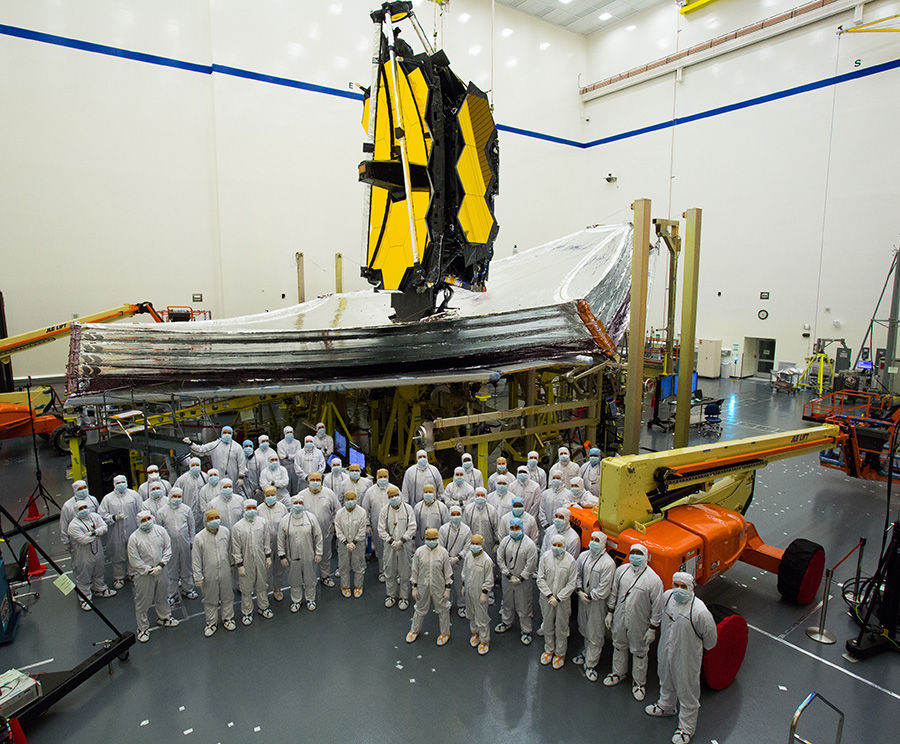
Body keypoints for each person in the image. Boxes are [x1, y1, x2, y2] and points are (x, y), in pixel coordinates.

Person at [645, 572, 718, 744]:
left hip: (687, 655)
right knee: (665, 676)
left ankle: (686, 728)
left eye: (683, 586)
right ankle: (666, 705)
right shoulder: (667, 597)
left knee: (687, 689)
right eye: (675, 585)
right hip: (666, 648)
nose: (678, 590)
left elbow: (711, 639)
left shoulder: (699, 611)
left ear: (691, 587)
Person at [605, 543, 664, 702]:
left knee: (639, 652)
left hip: (640, 621)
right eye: (633, 552)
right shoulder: (621, 571)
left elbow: (657, 606)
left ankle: (639, 683)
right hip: (620, 616)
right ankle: (618, 673)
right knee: (619, 644)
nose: (635, 556)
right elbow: (614, 592)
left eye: (639, 553)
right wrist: (610, 612)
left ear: (645, 556)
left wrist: (653, 627)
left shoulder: (653, 580)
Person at [127, 511, 178, 643]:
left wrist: (161, 565)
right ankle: (142, 628)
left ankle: (164, 617)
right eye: (144, 520)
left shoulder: (160, 531)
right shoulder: (134, 538)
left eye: (149, 518)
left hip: (161, 570)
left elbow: (168, 548)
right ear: (139, 522)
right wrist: (148, 570)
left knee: (162, 596)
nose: (147, 521)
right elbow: (134, 559)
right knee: (142, 602)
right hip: (144, 576)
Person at [574, 531, 616, 682]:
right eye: (591, 539)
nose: (593, 542)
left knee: (595, 631)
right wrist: (579, 590)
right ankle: (586, 652)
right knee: (584, 626)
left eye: (596, 540)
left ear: (603, 543)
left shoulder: (608, 563)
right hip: (582, 598)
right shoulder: (583, 556)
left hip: (597, 603)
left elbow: (605, 587)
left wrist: (591, 596)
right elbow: (576, 573)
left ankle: (591, 664)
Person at [192, 509, 236, 637]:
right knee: (210, 598)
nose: (214, 520)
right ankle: (211, 622)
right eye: (211, 518)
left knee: (227, 595)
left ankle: (228, 618)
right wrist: (197, 576)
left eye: (216, 517)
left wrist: (232, 564)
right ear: (206, 521)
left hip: (225, 570)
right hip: (209, 573)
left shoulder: (225, 532)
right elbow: (196, 558)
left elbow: (229, 550)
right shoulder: (199, 537)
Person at [495, 518, 539, 645]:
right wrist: (507, 574)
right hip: (507, 578)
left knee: (524, 604)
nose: (514, 531)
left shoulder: (529, 544)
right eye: (512, 528)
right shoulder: (505, 541)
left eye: (517, 528)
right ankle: (506, 622)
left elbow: (531, 563)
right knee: (507, 601)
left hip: (523, 581)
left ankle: (526, 630)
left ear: (522, 528)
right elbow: (500, 559)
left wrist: (521, 577)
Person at [536, 533, 577, 669]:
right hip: (547, 599)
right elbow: (540, 578)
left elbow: (572, 583)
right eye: (554, 545)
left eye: (559, 546)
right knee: (547, 624)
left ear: (564, 547)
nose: (556, 548)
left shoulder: (570, 561)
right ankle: (549, 649)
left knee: (561, 627)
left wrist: (559, 598)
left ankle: (560, 653)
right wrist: (549, 595)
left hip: (562, 601)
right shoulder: (545, 557)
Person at [407, 528, 452, 646]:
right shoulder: (419, 552)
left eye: (433, 539)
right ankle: (414, 630)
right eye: (429, 539)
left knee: (442, 609)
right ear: (425, 539)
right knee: (420, 608)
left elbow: (448, 573)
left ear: (437, 539)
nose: (431, 541)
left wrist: (447, 589)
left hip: (439, 586)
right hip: (423, 585)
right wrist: (414, 587)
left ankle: (445, 633)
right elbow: (415, 571)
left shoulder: (443, 553)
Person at [277, 494, 323, 612]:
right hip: (292, 556)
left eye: (300, 503)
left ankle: (310, 598)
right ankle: (296, 600)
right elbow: (280, 539)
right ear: (291, 505)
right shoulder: (285, 521)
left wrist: (319, 553)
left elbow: (318, 536)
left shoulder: (311, 518)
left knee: (310, 577)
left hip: (309, 554)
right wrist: (282, 555)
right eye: (295, 503)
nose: (298, 505)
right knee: (294, 579)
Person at [68, 501, 115, 611]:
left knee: (99, 570)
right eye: (81, 509)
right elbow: (83, 540)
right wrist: (98, 534)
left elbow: (104, 527)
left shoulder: (94, 516)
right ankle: (84, 598)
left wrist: (93, 533)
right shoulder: (74, 525)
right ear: (76, 511)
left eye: (85, 507)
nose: (84, 510)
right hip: (83, 554)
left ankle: (100, 589)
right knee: (84, 574)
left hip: (97, 550)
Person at [231, 499, 272, 624]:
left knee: (261, 584)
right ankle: (247, 612)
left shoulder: (262, 523)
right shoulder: (238, 527)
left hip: (260, 559)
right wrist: (240, 564)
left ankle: (263, 607)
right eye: (248, 508)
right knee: (246, 588)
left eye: (253, 508)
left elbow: (266, 541)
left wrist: (268, 556)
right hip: (246, 561)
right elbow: (236, 547)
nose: (251, 510)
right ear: (244, 510)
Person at [99, 474, 142, 589]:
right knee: (117, 554)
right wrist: (113, 518)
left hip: (132, 529)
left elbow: (141, 511)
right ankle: (118, 577)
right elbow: (101, 515)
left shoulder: (134, 495)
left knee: (132, 552)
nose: (121, 485)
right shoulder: (108, 499)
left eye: (123, 482)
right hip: (115, 532)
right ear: (114, 485)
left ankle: (131, 573)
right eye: (118, 483)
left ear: (126, 482)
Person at [157, 486, 198, 602]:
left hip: (185, 543)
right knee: (171, 569)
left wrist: (192, 541)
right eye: (174, 496)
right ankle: (172, 593)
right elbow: (159, 532)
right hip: (170, 547)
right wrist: (162, 547)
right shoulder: (161, 512)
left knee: (186, 566)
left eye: (179, 497)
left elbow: (192, 527)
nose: (177, 499)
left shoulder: (186, 509)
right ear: (169, 497)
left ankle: (188, 589)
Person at [378, 486, 416, 610]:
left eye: (396, 495)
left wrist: (402, 540)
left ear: (400, 495)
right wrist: (390, 541)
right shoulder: (384, 510)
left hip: (405, 545)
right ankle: (391, 595)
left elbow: (412, 526)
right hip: (389, 546)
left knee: (405, 571)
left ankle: (404, 597)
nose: (394, 498)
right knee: (390, 570)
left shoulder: (407, 509)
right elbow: (381, 529)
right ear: (388, 498)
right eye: (391, 496)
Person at [301, 472, 340, 587]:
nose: (315, 482)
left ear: (322, 481)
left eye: (318, 480)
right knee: (308, 557)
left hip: (325, 530)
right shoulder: (302, 495)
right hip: (307, 533)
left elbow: (337, 510)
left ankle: (325, 576)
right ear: (308, 481)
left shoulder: (329, 494)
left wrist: (334, 523)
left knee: (326, 554)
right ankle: (309, 579)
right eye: (313, 480)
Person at [462, 534, 494, 655]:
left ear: (482, 545)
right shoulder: (469, 556)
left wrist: (485, 593)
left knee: (481, 616)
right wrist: (463, 586)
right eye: (473, 543)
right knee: (471, 613)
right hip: (469, 590)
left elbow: (489, 579)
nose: (474, 546)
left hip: (480, 592)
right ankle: (475, 633)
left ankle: (485, 640)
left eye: (477, 544)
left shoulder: (486, 560)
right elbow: (464, 572)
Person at [438, 504, 471, 619]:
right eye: (453, 514)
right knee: (447, 583)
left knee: (460, 583)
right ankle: (449, 602)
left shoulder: (466, 529)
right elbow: (440, 545)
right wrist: (447, 558)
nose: (456, 517)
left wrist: (458, 557)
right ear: (449, 515)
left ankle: (462, 604)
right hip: (446, 561)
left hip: (460, 562)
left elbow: (468, 546)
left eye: (458, 515)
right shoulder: (443, 529)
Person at [334, 490, 368, 598]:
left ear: (356, 499)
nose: (349, 501)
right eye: (347, 499)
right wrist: (345, 541)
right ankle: (345, 587)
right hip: (343, 545)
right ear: (344, 500)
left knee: (358, 565)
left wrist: (354, 542)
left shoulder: (361, 512)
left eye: (352, 499)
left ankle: (358, 586)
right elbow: (338, 529)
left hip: (358, 544)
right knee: (344, 565)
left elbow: (362, 529)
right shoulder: (340, 513)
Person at [363, 469, 394, 582]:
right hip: (376, 525)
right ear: (376, 478)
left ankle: (394, 572)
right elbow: (365, 509)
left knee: (393, 549)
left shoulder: (394, 490)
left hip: (393, 525)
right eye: (380, 477)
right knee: (380, 548)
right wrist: (367, 525)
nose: (383, 479)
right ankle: (382, 571)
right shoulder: (370, 492)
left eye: (385, 476)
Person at [258, 485, 288, 601]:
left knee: (279, 569)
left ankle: (278, 588)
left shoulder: (282, 507)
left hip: (280, 542)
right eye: (268, 495)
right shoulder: (259, 510)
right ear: (264, 496)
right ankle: (264, 591)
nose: (270, 497)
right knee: (266, 569)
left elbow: (285, 524)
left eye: (272, 495)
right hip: (265, 544)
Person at [59, 480, 101, 555]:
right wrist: (66, 542)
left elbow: (99, 516)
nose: (83, 490)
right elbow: (64, 524)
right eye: (80, 489)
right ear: (75, 490)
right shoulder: (68, 506)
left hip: (94, 537)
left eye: (84, 487)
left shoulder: (93, 500)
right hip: (77, 540)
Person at [462, 488, 500, 562]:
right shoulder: (468, 509)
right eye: (478, 495)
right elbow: (464, 528)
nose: (480, 497)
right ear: (475, 496)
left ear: (485, 496)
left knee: (488, 563)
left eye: (482, 495)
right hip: (472, 544)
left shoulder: (492, 510)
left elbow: (496, 527)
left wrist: (497, 543)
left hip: (488, 544)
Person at [208, 478, 245, 549]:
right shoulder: (213, 504)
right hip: (221, 538)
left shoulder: (240, 500)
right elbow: (207, 522)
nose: (228, 489)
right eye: (225, 487)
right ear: (220, 488)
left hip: (239, 536)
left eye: (229, 487)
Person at [174, 457, 207, 528]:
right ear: (189, 466)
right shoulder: (182, 479)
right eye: (193, 465)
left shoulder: (204, 477)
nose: (195, 467)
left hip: (201, 511)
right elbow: (175, 493)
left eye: (197, 465)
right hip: (187, 510)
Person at [277, 426, 303, 494]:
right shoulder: (280, 444)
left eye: (291, 432)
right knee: (286, 484)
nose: (289, 434)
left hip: (295, 466)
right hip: (285, 466)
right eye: (287, 432)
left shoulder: (297, 443)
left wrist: (288, 456)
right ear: (284, 433)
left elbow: (298, 455)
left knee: (296, 484)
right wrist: (292, 456)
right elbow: (281, 456)